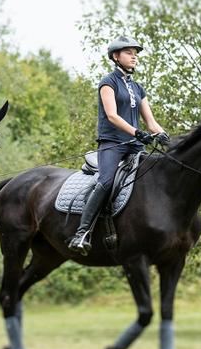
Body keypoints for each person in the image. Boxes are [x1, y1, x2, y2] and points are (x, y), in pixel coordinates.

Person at [66, 36, 169, 254]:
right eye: (129, 52)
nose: (135, 56)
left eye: (136, 53)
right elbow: (112, 116)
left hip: (134, 147)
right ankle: (82, 233)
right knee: (105, 182)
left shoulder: (138, 88)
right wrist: (137, 132)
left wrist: (162, 134)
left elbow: (150, 122)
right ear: (116, 56)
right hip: (112, 144)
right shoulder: (108, 82)